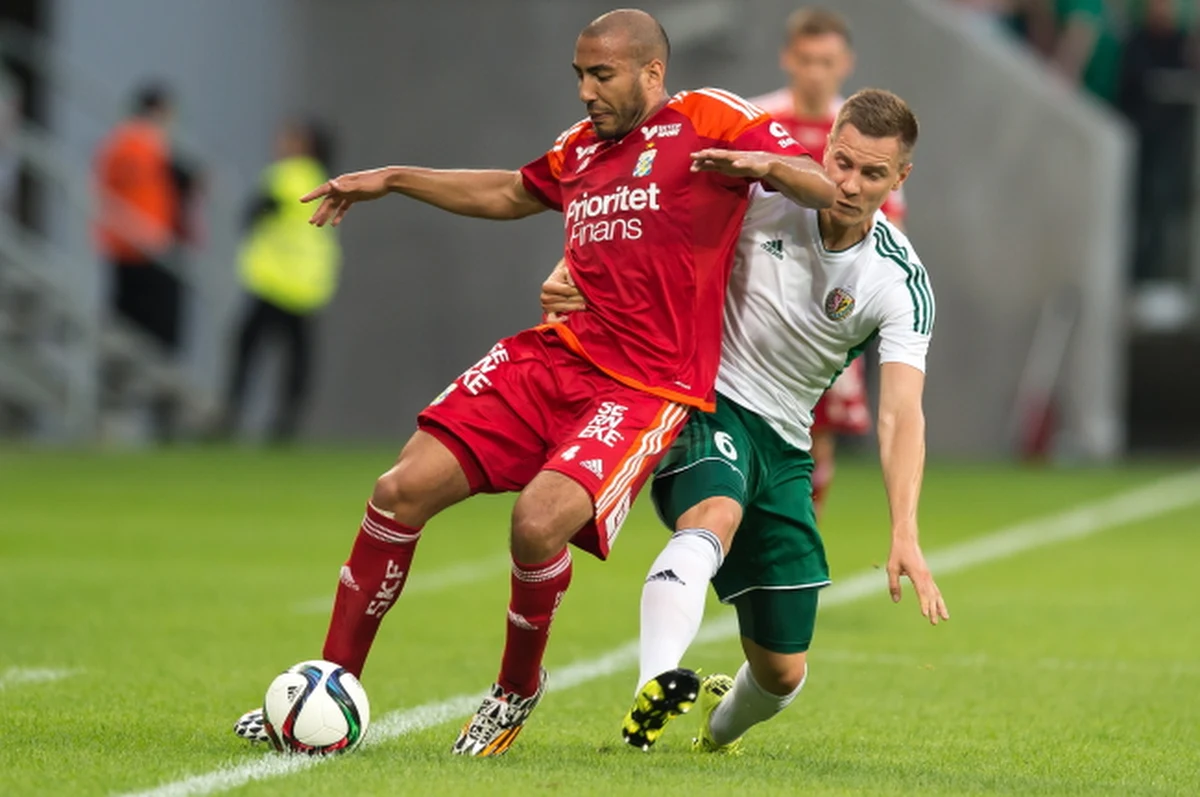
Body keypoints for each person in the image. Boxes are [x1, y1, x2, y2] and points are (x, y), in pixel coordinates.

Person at [233, 8, 834, 757]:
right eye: (579, 75)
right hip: (552, 358)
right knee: (398, 490)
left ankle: (514, 690)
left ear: (652, 72)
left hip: (646, 385)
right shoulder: (579, 148)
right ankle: (331, 678)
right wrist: (395, 179)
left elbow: (821, 184)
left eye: (602, 74)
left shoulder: (709, 117)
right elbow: (508, 193)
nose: (585, 90)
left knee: (536, 521)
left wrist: (768, 168)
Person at [543, 88, 948, 753]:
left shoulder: (899, 280)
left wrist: (904, 528)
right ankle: (657, 680)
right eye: (841, 162)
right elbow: (642, 222)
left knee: (782, 672)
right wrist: (574, 271)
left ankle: (715, 732)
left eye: (873, 173)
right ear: (825, 145)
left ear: (900, 178)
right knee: (714, 514)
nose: (848, 184)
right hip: (705, 398)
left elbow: (902, 412)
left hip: (786, 446)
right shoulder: (764, 199)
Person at [751, 7, 906, 517]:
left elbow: (891, 225)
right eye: (807, 59)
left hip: (831, 308)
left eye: (827, 61)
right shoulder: (759, 120)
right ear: (787, 59)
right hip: (760, 305)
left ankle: (801, 534)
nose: (816, 71)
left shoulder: (863, 140)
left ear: (846, 64)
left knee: (818, 437)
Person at [222, 118, 342, 442]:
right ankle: (286, 423)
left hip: (276, 281)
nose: (281, 143)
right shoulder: (322, 177)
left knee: (247, 348)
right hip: (307, 283)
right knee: (297, 358)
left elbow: (255, 212)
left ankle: (231, 416)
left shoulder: (287, 175)